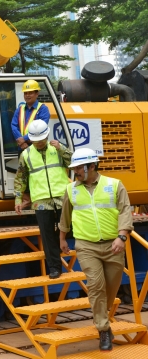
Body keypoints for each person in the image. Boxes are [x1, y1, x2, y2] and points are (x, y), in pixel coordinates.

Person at [58, 148, 133, 351]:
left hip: (113, 245)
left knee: (110, 288)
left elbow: (126, 211)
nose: (75, 173)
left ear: (91, 166)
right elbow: (65, 215)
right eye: (73, 169)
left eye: (78, 168)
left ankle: (102, 314)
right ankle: (103, 329)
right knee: (96, 285)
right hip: (86, 245)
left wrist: (121, 237)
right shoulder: (71, 189)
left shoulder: (114, 185)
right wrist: (62, 237)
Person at [14, 119, 72, 279]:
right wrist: (18, 198)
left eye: (41, 140)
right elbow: (21, 178)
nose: (39, 143)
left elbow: (74, 163)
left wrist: (62, 149)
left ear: (47, 136)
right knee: (47, 236)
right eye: (35, 141)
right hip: (41, 201)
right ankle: (54, 268)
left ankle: (72, 255)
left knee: (69, 229)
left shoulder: (57, 149)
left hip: (62, 197)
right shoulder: (26, 155)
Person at [11, 80, 50, 152]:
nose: (27, 95)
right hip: (22, 147)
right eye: (25, 93)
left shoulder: (43, 109)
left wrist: (24, 139)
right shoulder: (19, 109)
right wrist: (21, 142)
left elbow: (40, 128)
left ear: (37, 93)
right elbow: (14, 126)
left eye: (30, 93)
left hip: (37, 147)